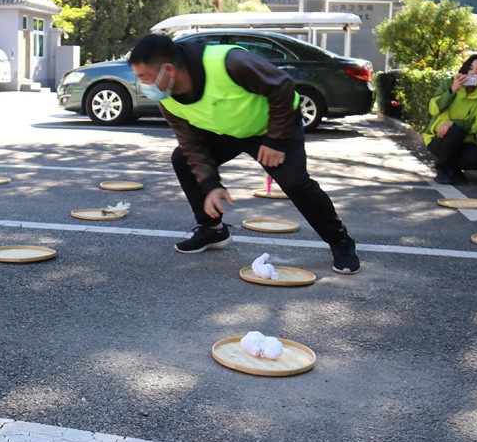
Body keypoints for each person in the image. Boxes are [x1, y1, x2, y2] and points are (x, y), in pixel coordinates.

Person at [128, 33, 360, 274]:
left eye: (144, 76)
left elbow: (281, 85)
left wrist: (277, 140)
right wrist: (210, 185)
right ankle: (213, 230)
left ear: (168, 69)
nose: (142, 84)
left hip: (272, 126)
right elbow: (191, 144)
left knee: (295, 183)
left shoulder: (229, 62)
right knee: (183, 160)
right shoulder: (167, 99)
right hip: (225, 130)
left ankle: (340, 242)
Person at [423, 54, 477, 185]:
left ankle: (452, 168)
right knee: (455, 131)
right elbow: (433, 109)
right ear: (465, 69)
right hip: (438, 138)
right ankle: (442, 169)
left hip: (463, 141)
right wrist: (453, 90)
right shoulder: (449, 84)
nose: (474, 73)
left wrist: (453, 123)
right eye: (470, 68)